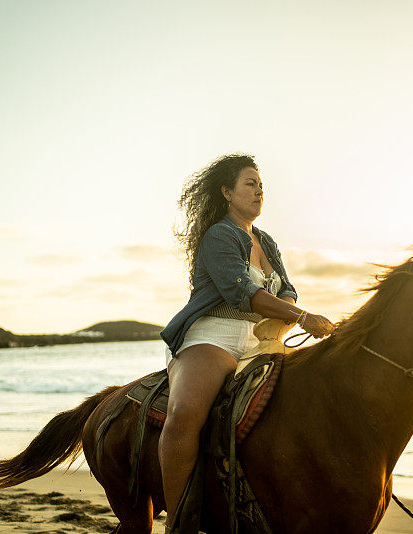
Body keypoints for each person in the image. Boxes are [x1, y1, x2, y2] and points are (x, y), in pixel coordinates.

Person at [158, 154, 335, 532]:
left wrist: (287, 314)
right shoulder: (219, 235)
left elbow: (286, 289)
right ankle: (178, 521)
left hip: (264, 340)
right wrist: (302, 317)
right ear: (226, 192)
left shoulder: (266, 241)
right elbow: (243, 292)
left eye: (261, 185)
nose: (258, 191)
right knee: (184, 413)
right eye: (249, 184)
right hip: (213, 337)